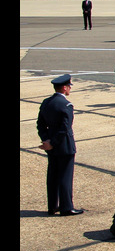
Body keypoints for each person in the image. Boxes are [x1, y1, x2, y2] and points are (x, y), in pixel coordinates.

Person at [36, 74, 83, 216]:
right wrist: (54, 142)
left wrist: (47, 141)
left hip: (51, 145)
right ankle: (66, 206)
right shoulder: (66, 105)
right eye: (69, 86)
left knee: (53, 176)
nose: (69, 89)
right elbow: (65, 128)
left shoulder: (46, 102)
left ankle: (52, 206)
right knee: (65, 177)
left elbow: (41, 124)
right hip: (64, 146)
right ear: (64, 88)